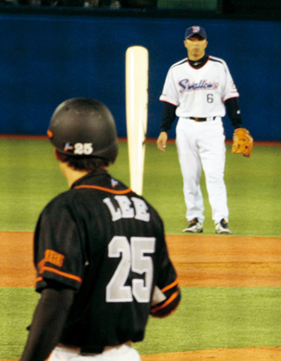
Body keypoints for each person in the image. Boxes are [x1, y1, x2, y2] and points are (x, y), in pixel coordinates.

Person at [20, 98, 181, 361]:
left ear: (58, 151)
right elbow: (167, 302)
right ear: (111, 152)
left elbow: (56, 299)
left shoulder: (66, 210)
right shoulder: (147, 212)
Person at [157, 25, 245, 235]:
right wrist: (163, 130)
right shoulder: (176, 70)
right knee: (190, 176)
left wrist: (238, 126)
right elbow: (170, 103)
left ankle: (221, 220)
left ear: (205, 43)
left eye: (199, 39)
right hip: (185, 126)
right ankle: (194, 219)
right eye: (192, 39)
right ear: (185, 43)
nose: (195, 43)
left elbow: (230, 97)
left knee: (215, 175)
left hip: (212, 126)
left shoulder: (219, 66)